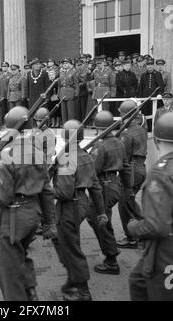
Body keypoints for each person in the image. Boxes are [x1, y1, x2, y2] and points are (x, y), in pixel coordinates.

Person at [0, 106, 56, 301]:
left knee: (8, 273)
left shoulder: (6, 154)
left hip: (13, 216)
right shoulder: (36, 150)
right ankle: (30, 292)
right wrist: (49, 222)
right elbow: (47, 190)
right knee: (21, 257)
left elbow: (1, 197)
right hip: (33, 213)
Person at [52, 120, 106, 301]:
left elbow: (64, 192)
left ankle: (82, 290)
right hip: (82, 202)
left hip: (69, 205)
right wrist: (101, 211)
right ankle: (73, 278)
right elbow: (96, 186)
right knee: (61, 240)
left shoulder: (67, 158)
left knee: (71, 247)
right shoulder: (85, 155)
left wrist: (45, 189)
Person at [128, 112, 173, 301]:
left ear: (155, 140)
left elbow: (156, 226)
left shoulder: (160, 173)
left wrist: (133, 227)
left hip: (165, 253)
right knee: (137, 282)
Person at [87, 111, 132, 275]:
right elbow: (126, 167)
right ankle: (110, 249)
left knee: (98, 219)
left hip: (103, 186)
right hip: (115, 185)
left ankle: (111, 259)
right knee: (103, 218)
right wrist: (128, 189)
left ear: (99, 128)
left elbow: (93, 170)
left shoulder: (101, 146)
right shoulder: (119, 142)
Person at [117, 100, 148, 249]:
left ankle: (131, 237)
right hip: (140, 167)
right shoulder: (140, 128)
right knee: (130, 202)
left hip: (132, 170)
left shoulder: (127, 134)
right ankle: (144, 230)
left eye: (122, 115)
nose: (121, 117)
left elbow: (123, 157)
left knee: (124, 204)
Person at [138, 58, 165, 131]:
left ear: (153, 66)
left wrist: (160, 94)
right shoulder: (143, 75)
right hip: (145, 98)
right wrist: (139, 98)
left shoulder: (158, 74)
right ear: (146, 66)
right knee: (145, 113)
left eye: (151, 65)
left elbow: (161, 86)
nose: (150, 66)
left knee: (155, 113)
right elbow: (141, 87)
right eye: (148, 65)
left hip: (155, 98)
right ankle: (147, 128)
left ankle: (155, 128)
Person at [58, 58, 79, 124]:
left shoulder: (73, 72)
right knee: (63, 111)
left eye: (67, 63)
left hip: (70, 92)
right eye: (64, 63)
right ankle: (65, 125)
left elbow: (76, 84)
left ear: (70, 64)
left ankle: (71, 125)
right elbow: (59, 84)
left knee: (70, 112)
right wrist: (58, 93)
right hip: (62, 92)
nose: (65, 65)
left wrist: (76, 93)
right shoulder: (61, 72)